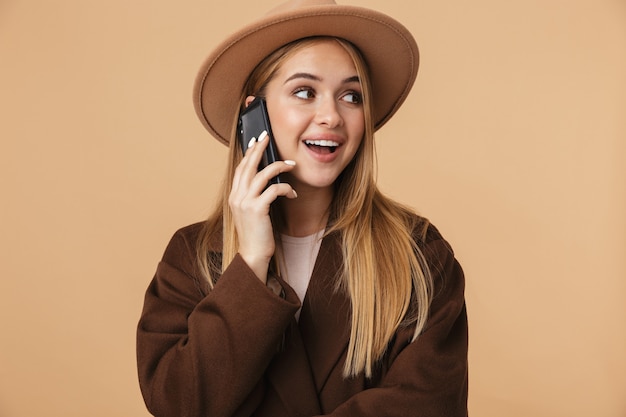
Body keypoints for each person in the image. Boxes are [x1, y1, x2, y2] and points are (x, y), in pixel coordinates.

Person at [136, 0, 468, 416]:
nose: (331, 115)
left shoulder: (417, 252)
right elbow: (181, 403)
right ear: (252, 115)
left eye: (351, 96)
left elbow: (429, 405)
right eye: (305, 92)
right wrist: (252, 263)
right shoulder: (194, 257)